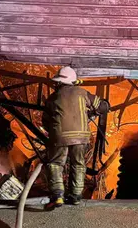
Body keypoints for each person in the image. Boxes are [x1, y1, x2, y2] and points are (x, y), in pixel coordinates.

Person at [42, 66, 109, 207]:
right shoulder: (82, 93)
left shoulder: (52, 98)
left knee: (55, 163)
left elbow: (46, 122)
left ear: (58, 82)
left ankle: (58, 196)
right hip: (81, 136)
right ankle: (76, 196)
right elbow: (102, 106)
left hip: (60, 136)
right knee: (78, 164)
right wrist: (93, 112)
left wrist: (54, 133)